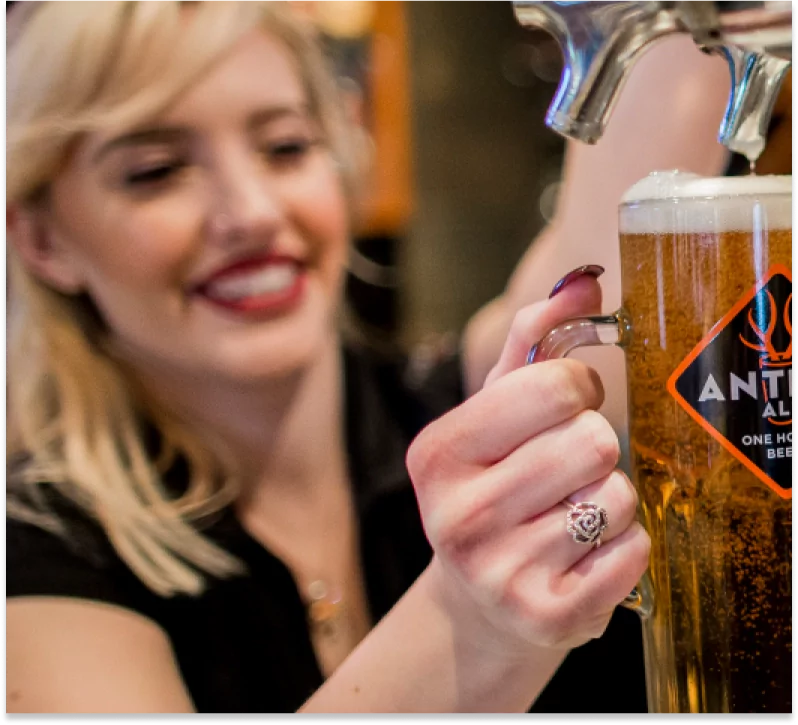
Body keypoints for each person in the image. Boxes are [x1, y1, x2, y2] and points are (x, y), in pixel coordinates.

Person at [5, 0, 731, 715]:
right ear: (42, 240)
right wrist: (472, 621)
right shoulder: (40, 553)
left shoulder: (467, 408)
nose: (253, 212)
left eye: (285, 147)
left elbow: (665, 74)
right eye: (157, 170)